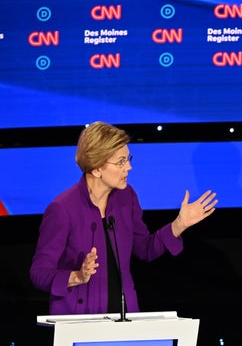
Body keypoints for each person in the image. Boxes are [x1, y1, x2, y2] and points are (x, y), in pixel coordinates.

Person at [30, 120, 218, 315]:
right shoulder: (62, 209)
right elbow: (39, 274)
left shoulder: (126, 197)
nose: (128, 167)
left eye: (128, 159)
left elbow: (145, 248)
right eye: (121, 162)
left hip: (124, 318)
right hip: (78, 322)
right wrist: (77, 276)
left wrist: (179, 225)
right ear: (96, 168)